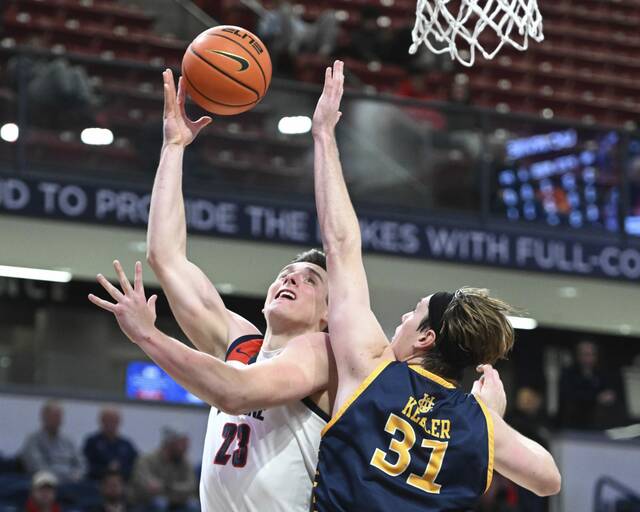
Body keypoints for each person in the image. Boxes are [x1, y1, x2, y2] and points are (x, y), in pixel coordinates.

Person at [309, 60, 561, 510]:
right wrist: (491, 418)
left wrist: (325, 136)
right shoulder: (477, 422)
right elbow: (548, 479)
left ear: (426, 337)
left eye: (414, 312)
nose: (403, 317)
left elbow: (341, 244)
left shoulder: (372, 370)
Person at [91, 68, 334, 512]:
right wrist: (174, 147)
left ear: (327, 314)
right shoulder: (240, 343)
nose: (290, 279)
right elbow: (167, 256)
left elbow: (235, 393)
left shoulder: (323, 355)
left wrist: (149, 335)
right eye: (285, 273)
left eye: (309, 279)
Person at [558, 339, 627, 430]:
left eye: (592, 354)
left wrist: (609, 396)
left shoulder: (601, 372)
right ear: (578, 356)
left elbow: (610, 391)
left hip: (599, 423)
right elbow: (569, 395)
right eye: (585, 354)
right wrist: (596, 398)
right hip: (574, 421)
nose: (589, 358)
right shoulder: (568, 373)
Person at [130, 428, 198, 512]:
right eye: (182, 444)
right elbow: (143, 484)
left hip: (178, 502)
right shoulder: (147, 460)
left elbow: (191, 487)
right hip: (148, 502)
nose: (186, 448)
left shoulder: (185, 462)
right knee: (160, 504)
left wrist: (166, 486)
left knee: (193, 505)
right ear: (170, 443)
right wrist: (173, 490)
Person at [21, 401, 85, 483]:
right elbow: (36, 466)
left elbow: (81, 463)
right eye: (53, 416)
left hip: (71, 481)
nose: (57, 420)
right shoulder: (33, 440)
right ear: (43, 418)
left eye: (59, 417)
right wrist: (57, 478)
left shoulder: (69, 440)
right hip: (46, 484)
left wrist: (77, 475)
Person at [83, 406, 138, 481]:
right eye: (107, 420)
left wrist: (120, 469)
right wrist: (107, 469)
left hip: (122, 485)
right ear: (101, 421)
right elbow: (86, 465)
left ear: (119, 422)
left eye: (114, 421)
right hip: (97, 483)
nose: (110, 424)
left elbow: (135, 465)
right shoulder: (92, 442)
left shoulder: (127, 444)